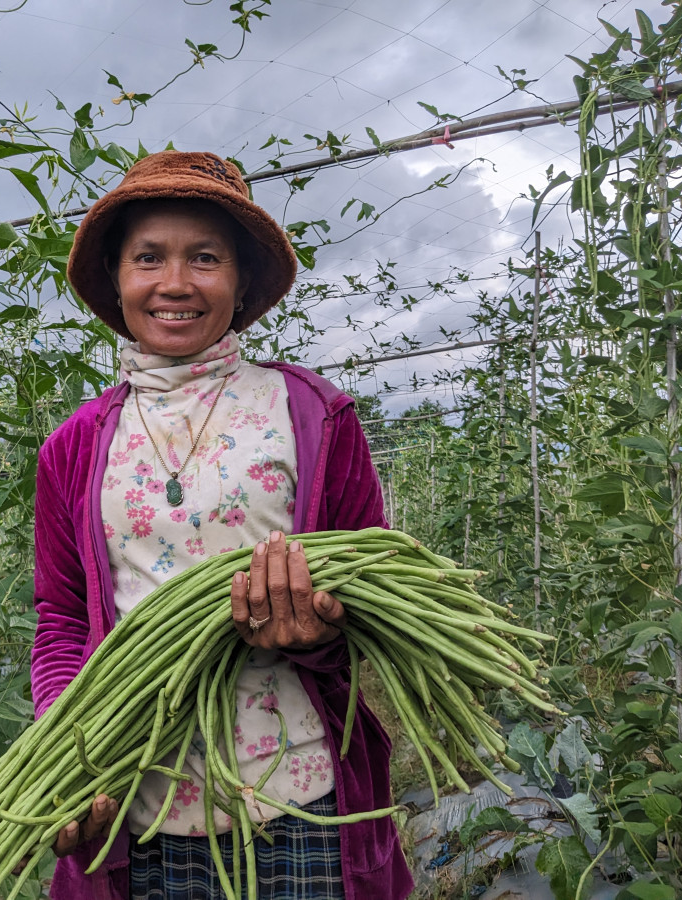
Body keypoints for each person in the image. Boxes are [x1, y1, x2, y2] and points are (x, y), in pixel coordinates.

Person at [32, 150, 413, 899]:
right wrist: (66, 753)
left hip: (299, 807)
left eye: (204, 257)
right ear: (117, 278)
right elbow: (63, 618)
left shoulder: (311, 415)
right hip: (136, 808)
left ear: (239, 283)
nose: (175, 283)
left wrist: (322, 630)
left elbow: (370, 599)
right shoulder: (73, 447)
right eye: (149, 258)